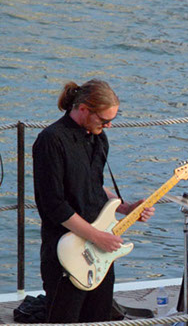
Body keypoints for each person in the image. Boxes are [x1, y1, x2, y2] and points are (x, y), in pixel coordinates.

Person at [32, 79, 155, 322]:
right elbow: (53, 204)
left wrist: (125, 207)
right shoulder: (51, 140)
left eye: (111, 120)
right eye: (103, 120)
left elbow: (93, 186)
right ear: (84, 109)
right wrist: (95, 235)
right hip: (65, 248)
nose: (108, 125)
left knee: (100, 317)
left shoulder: (98, 138)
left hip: (99, 249)